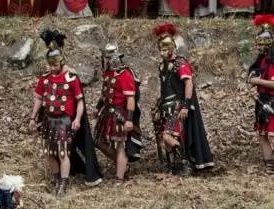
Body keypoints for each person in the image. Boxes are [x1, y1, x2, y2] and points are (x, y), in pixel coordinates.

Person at [30, 29, 102, 196]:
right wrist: (33, 117)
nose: (52, 67)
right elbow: (39, 99)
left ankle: (64, 182)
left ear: (61, 61)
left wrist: (77, 119)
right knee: (49, 153)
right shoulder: (45, 78)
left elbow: (79, 101)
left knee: (63, 153)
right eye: (50, 64)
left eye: (55, 64)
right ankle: (56, 179)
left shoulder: (71, 77)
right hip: (49, 121)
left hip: (64, 121)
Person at [152, 23, 214, 176]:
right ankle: (172, 165)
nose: (162, 52)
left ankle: (185, 162)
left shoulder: (181, 63)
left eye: (165, 49)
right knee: (165, 137)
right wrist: (158, 105)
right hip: (166, 106)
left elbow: (188, 83)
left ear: (172, 47)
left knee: (168, 135)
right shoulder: (162, 66)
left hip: (177, 106)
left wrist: (186, 105)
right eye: (161, 49)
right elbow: (166, 88)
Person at [94, 43, 143, 182]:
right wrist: (98, 109)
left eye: (110, 58)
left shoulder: (125, 74)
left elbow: (131, 99)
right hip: (107, 112)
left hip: (120, 114)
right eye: (106, 58)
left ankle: (119, 177)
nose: (108, 61)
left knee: (120, 145)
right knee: (98, 141)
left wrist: (129, 119)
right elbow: (104, 94)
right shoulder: (108, 73)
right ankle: (123, 164)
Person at [249, 15, 274, 174]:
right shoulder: (261, 61)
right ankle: (269, 164)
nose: (258, 47)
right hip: (262, 101)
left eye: (261, 44)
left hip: (272, 101)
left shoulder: (273, 61)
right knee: (262, 133)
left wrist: (257, 82)